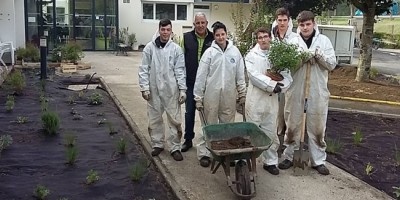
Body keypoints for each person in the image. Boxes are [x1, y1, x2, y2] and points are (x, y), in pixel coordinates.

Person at [278, 11, 337, 175]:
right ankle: (289, 156)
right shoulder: (292, 41)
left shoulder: (323, 41)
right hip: (296, 89)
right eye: (302, 24)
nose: (305, 27)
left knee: (317, 124)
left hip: (317, 90)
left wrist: (318, 55)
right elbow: (286, 66)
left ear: (314, 23)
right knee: (293, 123)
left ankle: (318, 160)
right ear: (298, 25)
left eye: (308, 24)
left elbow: (332, 64)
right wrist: (302, 57)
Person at [194, 21, 247, 167]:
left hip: (229, 95)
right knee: (208, 125)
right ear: (214, 37)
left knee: (227, 125)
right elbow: (201, 76)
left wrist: (242, 93)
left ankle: (226, 153)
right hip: (211, 95)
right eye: (217, 35)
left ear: (226, 34)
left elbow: (240, 75)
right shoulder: (209, 53)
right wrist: (198, 97)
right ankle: (205, 153)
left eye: (222, 34)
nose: (220, 37)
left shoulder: (235, 52)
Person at [245, 27, 293, 175]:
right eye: (260, 37)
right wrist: (273, 85)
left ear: (270, 38)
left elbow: (287, 76)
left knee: (270, 131)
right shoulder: (251, 56)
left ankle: (270, 161)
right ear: (257, 40)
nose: (263, 39)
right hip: (255, 100)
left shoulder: (277, 55)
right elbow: (254, 76)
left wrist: (281, 86)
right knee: (252, 132)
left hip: (271, 101)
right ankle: (248, 160)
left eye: (266, 36)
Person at [138, 19, 187, 161]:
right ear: (159, 30)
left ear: (171, 31)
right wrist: (144, 87)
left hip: (172, 91)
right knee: (154, 119)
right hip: (154, 91)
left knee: (174, 120)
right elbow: (144, 69)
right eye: (163, 29)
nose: (165, 32)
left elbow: (180, 71)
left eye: (168, 30)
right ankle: (157, 144)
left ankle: (175, 147)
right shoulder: (149, 48)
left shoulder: (176, 49)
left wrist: (182, 89)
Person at [180, 13, 214, 152]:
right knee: (189, 113)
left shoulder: (213, 38)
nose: (200, 25)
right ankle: (188, 140)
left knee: (208, 114)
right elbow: (180, 61)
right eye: (197, 23)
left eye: (202, 22)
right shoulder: (186, 38)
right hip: (190, 83)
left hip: (208, 84)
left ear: (206, 23)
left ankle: (208, 141)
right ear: (194, 24)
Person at [271, 8, 298, 140]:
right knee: (275, 112)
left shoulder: (294, 38)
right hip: (273, 80)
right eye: (279, 20)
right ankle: (275, 139)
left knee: (288, 112)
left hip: (290, 80)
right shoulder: (271, 37)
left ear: (289, 21)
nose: (282, 23)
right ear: (276, 21)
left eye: (284, 20)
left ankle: (286, 140)